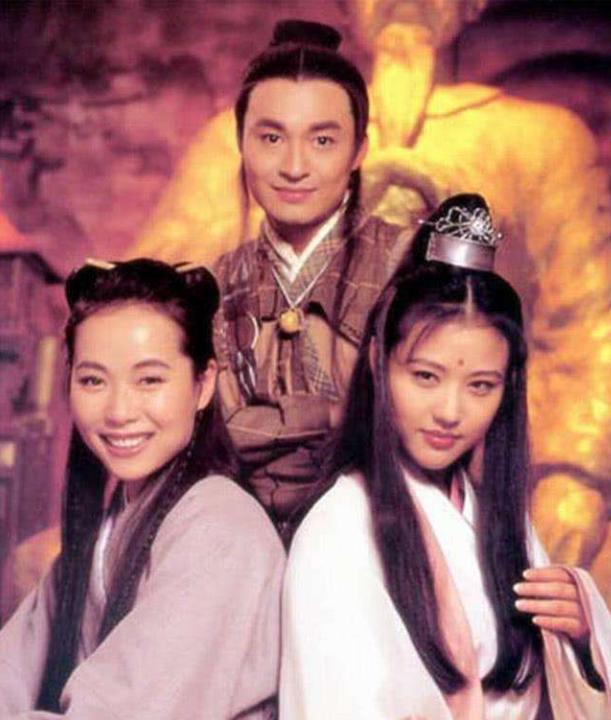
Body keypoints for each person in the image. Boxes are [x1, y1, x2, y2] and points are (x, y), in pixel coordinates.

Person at [280, 194, 611, 719]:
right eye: (425, 377)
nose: (450, 412)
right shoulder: (338, 531)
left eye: (481, 386)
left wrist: (581, 634)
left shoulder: (500, 518)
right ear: (378, 362)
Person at [0, 259, 285, 719]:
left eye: (149, 380)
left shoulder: (222, 530)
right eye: (93, 380)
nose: (118, 411)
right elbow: (13, 666)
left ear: (203, 384)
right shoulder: (104, 527)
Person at [213, 19, 416, 540]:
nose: (294, 166)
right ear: (241, 142)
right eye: (271, 138)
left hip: (377, 537)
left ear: (359, 151)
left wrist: (252, 425)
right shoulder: (215, 285)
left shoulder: (410, 265)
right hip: (243, 539)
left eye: (323, 140)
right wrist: (331, 414)